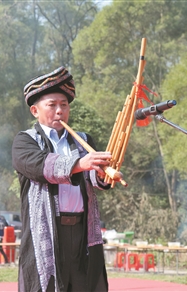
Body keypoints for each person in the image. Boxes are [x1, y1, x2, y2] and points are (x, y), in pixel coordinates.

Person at [12, 66, 111, 292]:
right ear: (35, 111)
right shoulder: (25, 141)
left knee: (83, 284)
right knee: (46, 285)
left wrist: (104, 174)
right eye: (52, 105)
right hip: (47, 230)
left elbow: (93, 177)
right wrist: (79, 164)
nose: (59, 111)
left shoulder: (83, 140)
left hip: (81, 231)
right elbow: (40, 167)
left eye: (64, 105)